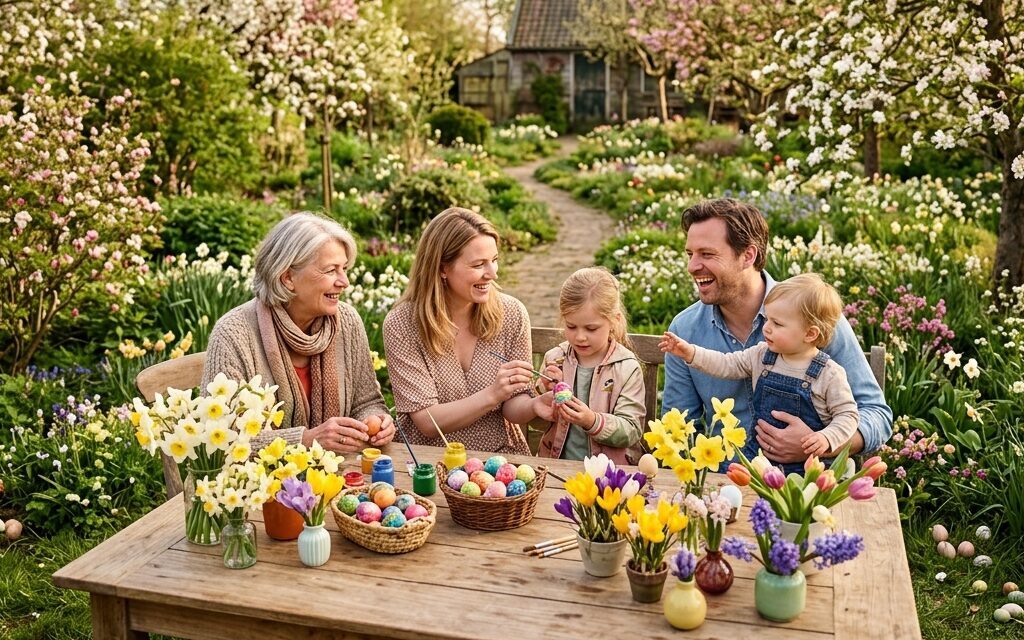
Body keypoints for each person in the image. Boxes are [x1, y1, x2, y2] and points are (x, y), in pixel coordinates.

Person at [661, 198, 892, 466]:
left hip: (812, 487)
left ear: (748, 255)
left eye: (707, 254)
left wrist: (818, 445)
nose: (692, 266)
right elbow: (678, 427)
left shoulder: (811, 317)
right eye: (690, 254)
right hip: (730, 485)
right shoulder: (685, 330)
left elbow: (876, 414)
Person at [202, 212, 396, 454]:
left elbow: (367, 402)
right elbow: (224, 438)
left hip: (340, 478)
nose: (344, 281)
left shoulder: (347, 321)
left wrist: (375, 420)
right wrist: (306, 440)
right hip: (259, 484)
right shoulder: (233, 334)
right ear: (287, 278)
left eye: (344, 268)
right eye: (330, 270)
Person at [383, 208, 553, 455]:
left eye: (494, 260)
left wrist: (536, 405)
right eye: (478, 264)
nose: (493, 274)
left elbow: (513, 404)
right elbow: (427, 422)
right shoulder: (403, 324)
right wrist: (492, 395)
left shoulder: (512, 314)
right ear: (442, 268)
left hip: (500, 459)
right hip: (428, 461)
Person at [661, 273, 859, 474]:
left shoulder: (829, 374)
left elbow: (848, 415)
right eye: (768, 319)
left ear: (810, 333)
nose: (766, 328)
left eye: (777, 324)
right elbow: (725, 363)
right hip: (758, 461)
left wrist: (827, 438)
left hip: (811, 468)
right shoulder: (761, 355)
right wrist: (691, 353)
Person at [535, 267, 646, 464]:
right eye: (571, 326)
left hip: (608, 475)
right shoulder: (556, 359)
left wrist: (592, 421)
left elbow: (632, 429)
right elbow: (536, 424)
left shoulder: (626, 368)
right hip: (557, 467)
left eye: (591, 328)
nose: (580, 337)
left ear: (614, 321)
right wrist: (544, 391)